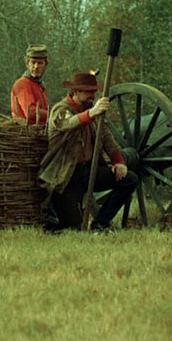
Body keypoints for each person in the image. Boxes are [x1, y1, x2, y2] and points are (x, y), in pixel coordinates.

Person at [40, 71, 138, 232]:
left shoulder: (92, 112)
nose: (93, 96)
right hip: (66, 177)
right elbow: (68, 123)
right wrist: (92, 113)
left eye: (94, 92)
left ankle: (101, 222)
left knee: (130, 179)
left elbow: (107, 138)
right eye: (89, 92)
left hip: (88, 171)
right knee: (73, 227)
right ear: (76, 92)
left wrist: (119, 162)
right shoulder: (60, 109)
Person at [10, 44, 49, 124]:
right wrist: (53, 114)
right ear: (27, 64)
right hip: (27, 132)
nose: (36, 66)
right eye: (33, 62)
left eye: (40, 63)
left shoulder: (39, 85)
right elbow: (30, 112)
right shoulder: (22, 84)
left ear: (46, 65)